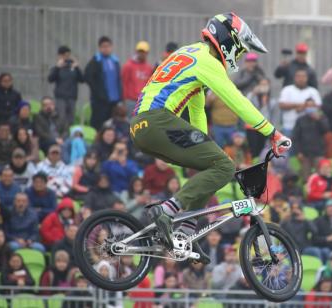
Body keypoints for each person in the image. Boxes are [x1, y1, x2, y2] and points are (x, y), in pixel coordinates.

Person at [130, 13, 291, 255]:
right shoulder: (209, 62)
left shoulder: (190, 53)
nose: (238, 56)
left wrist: (205, 144)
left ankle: (185, 233)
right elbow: (236, 100)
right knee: (225, 167)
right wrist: (272, 132)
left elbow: (197, 107)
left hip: (141, 128)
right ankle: (168, 210)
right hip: (158, 121)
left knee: (213, 166)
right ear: (229, 41)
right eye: (239, 50)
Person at [85, 36, 122, 130]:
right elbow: (88, 77)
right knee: (99, 124)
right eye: (103, 47)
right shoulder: (96, 61)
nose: (106, 49)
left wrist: (120, 97)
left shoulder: (115, 61)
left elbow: (118, 79)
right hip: (100, 101)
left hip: (113, 100)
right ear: (100, 48)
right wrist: (98, 93)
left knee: (111, 124)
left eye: (108, 46)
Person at [279, 68, 322, 137]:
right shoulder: (287, 90)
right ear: (294, 78)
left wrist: (302, 107)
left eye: (303, 76)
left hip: (309, 128)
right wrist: (304, 105)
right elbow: (282, 105)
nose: (301, 79)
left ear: (307, 78)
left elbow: (318, 107)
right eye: (298, 76)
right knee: (289, 147)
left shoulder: (313, 91)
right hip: (289, 127)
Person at [48, 45, 84, 125]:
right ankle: (61, 135)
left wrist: (77, 67)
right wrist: (58, 67)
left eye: (68, 55)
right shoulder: (56, 68)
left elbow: (82, 79)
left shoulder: (74, 68)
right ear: (59, 56)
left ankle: (69, 135)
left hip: (72, 97)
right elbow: (50, 79)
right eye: (64, 55)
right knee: (61, 118)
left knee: (71, 119)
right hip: (60, 97)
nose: (67, 58)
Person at [246, 78, 281, 156]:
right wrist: (253, 93)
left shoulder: (272, 100)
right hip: (252, 127)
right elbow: (245, 103)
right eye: (262, 84)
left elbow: (274, 116)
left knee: (262, 149)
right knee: (253, 149)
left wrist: (273, 130)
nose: (263, 87)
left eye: (265, 85)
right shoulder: (253, 97)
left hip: (265, 127)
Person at [294, 107, 328, 179]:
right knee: (306, 176)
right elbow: (296, 137)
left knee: (320, 176)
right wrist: (298, 152)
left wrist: (318, 120)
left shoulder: (321, 118)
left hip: (318, 152)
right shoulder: (300, 120)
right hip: (305, 153)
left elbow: (326, 130)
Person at [121, 41, 153, 117]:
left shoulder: (149, 67)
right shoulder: (128, 66)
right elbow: (123, 83)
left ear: (147, 53)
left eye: (144, 52)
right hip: (131, 101)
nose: (142, 54)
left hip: (143, 101)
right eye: (140, 51)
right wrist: (124, 100)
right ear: (136, 52)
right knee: (130, 123)